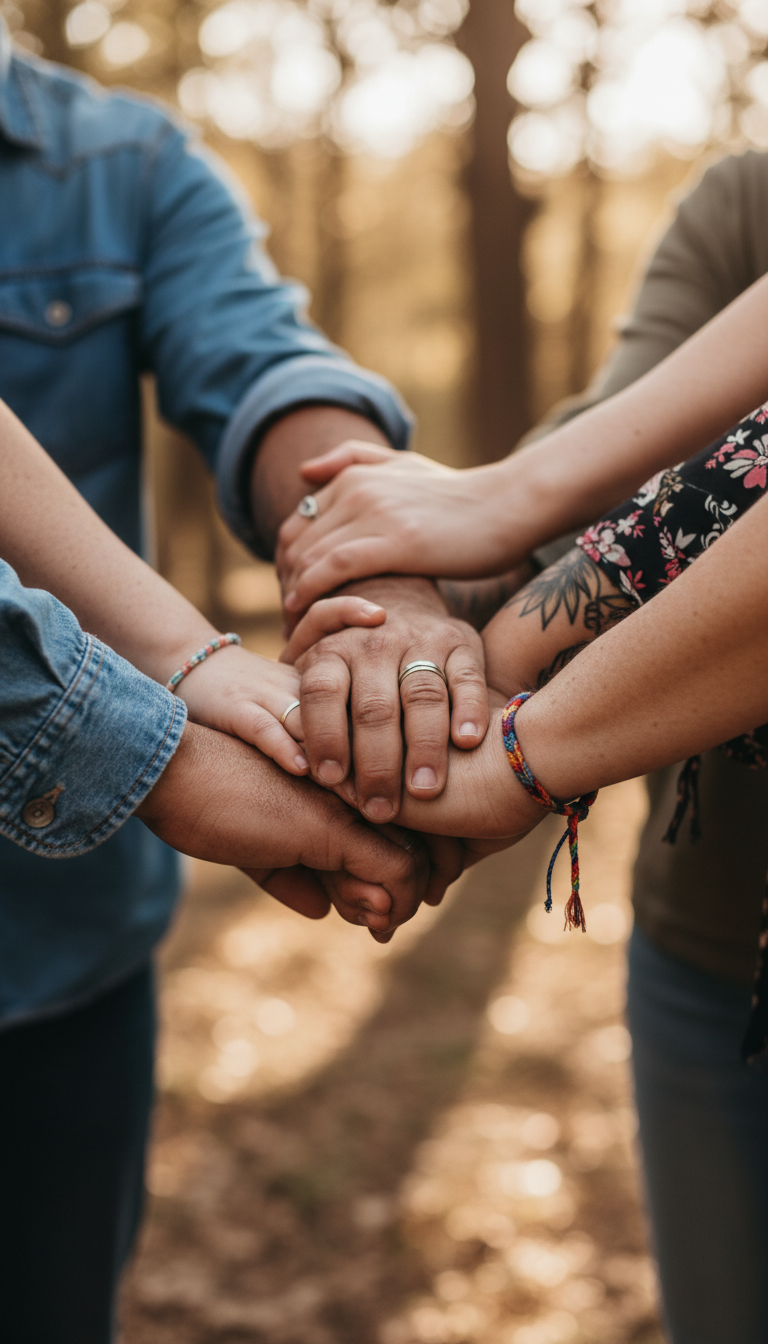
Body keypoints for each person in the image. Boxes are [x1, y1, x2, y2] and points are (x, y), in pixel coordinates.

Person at [0, 21, 482, 1340]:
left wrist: (381, 580)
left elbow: (265, 368)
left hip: (66, 960)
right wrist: (161, 730)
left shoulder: (124, 161)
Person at [276, 156, 768, 1343]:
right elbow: (602, 459)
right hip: (709, 962)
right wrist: (407, 605)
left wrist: (512, 751)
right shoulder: (747, 207)